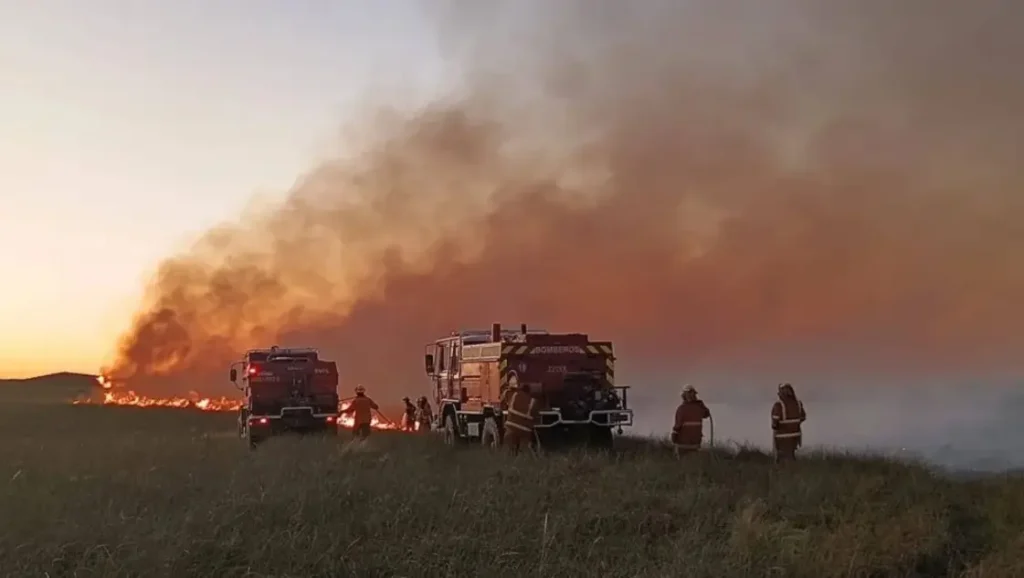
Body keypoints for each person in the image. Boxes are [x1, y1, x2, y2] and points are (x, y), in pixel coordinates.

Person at [501, 377, 542, 454]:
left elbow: (505, 395)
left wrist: (509, 388)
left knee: (507, 452)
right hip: (525, 432)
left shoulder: (514, 395)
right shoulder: (533, 401)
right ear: (530, 392)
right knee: (523, 453)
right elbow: (536, 416)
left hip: (511, 428)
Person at [771, 382, 807, 462]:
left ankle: (784, 468)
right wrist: (794, 424)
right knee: (791, 454)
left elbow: (775, 423)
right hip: (796, 435)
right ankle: (793, 467)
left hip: (782, 436)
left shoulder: (778, 405)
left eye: (779, 392)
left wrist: (776, 426)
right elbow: (803, 417)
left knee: (783, 457)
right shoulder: (798, 403)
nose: (778, 394)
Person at [671, 385, 711, 455]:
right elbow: (707, 414)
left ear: (684, 396)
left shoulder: (681, 409)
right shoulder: (699, 408)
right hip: (696, 443)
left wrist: (674, 437)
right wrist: (700, 403)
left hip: (682, 444)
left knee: (680, 458)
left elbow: (677, 426)